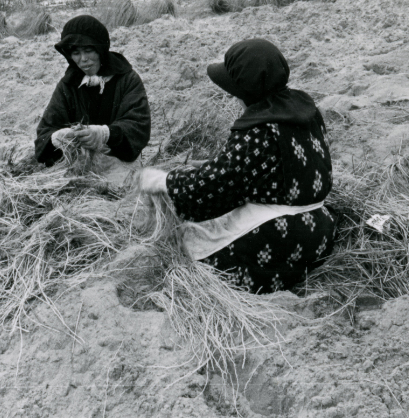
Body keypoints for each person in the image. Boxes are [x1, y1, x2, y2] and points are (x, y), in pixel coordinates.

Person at [138, 39, 337, 294]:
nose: (233, 96)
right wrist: (217, 164)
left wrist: (164, 181)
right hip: (320, 231)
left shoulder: (258, 130)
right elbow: (271, 167)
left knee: (188, 248)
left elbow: (210, 190)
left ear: (247, 89)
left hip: (282, 237)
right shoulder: (304, 109)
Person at [35, 15, 151, 167]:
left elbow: (139, 125)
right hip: (77, 166)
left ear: (100, 49)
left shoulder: (127, 79)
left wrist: (105, 134)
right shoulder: (68, 85)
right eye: (76, 53)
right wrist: (58, 138)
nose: (83, 59)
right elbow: (44, 133)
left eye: (88, 50)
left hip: (119, 163)